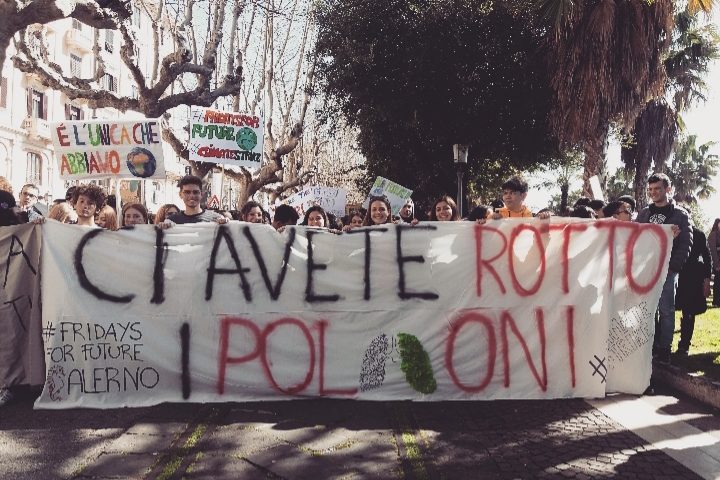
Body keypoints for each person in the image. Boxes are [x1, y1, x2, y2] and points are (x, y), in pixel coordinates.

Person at [636, 172, 693, 364]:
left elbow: (686, 243)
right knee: (646, 310)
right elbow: (634, 239)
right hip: (646, 271)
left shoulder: (680, 215)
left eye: (657, 189)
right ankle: (648, 347)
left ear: (667, 189)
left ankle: (664, 350)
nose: (653, 193)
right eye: (650, 189)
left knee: (666, 311)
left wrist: (673, 267)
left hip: (668, 272)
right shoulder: (644, 214)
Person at [675, 226, 712, 357]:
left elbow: (707, 257)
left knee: (688, 312)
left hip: (691, 277)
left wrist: (706, 279)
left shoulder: (698, 234)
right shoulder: (671, 230)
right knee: (666, 311)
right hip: (672, 273)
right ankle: (662, 344)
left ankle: (684, 345)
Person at [708, 218, 720, 307]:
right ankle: (716, 302)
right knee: (717, 282)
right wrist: (716, 264)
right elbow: (712, 251)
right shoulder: (713, 235)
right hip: (717, 262)